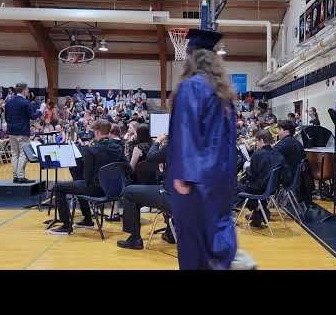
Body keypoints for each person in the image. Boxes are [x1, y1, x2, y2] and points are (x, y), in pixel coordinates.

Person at [166, 28, 238, 270]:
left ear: (191, 57)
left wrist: (183, 177)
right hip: (220, 178)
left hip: (195, 180)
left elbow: (186, 130)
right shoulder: (223, 93)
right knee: (215, 235)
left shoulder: (191, 86)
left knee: (193, 243)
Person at [47, 120, 129, 235]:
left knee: (59, 187)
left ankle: (66, 226)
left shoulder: (91, 150)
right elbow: (128, 168)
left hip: (97, 190)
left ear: (98, 133)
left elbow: (87, 177)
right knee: (79, 184)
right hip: (116, 190)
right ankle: (87, 220)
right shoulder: (118, 148)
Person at [117, 133, 175, 249]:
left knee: (129, 192)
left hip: (173, 199)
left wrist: (158, 141)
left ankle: (135, 239)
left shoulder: (176, 145)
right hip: (198, 202)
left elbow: (151, 157)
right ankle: (170, 234)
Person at [235, 129, 286, 227]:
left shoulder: (258, 154)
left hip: (258, 189)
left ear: (262, 141)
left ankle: (260, 209)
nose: (256, 144)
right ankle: (258, 215)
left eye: (257, 141)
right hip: (271, 189)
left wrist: (243, 178)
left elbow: (250, 176)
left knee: (233, 186)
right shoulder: (279, 155)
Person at [4, 83, 43, 183]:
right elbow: (33, 116)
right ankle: (21, 176)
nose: (28, 92)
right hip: (22, 131)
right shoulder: (25, 102)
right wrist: (41, 110)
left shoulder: (8, 102)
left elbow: (6, 117)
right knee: (23, 154)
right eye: (27, 90)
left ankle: (15, 176)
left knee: (14, 154)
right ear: (24, 90)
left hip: (11, 131)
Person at [275, 120, 304, 186]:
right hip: (297, 178)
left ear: (286, 131)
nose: (277, 132)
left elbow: (270, 157)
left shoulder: (283, 144)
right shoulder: (297, 142)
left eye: (279, 129)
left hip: (288, 178)